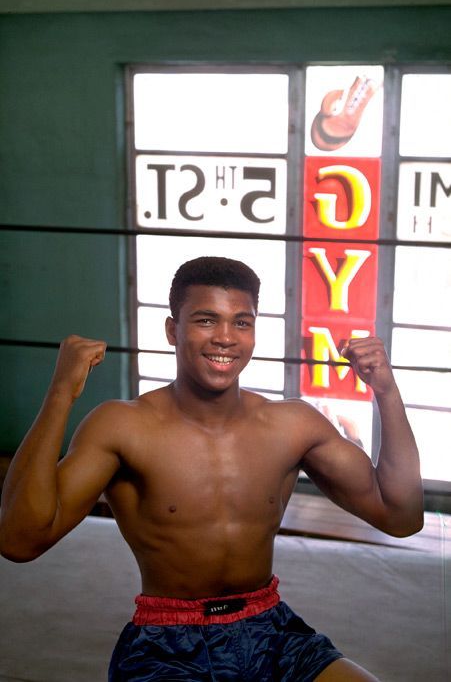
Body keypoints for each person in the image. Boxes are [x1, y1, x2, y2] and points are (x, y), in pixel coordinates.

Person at [0, 256, 423, 681]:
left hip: (272, 631)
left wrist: (385, 389)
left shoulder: (292, 424)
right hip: (167, 643)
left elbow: (401, 516)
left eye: (242, 323)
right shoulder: (123, 426)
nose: (225, 338)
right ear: (172, 330)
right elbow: (20, 540)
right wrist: (60, 394)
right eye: (206, 320)